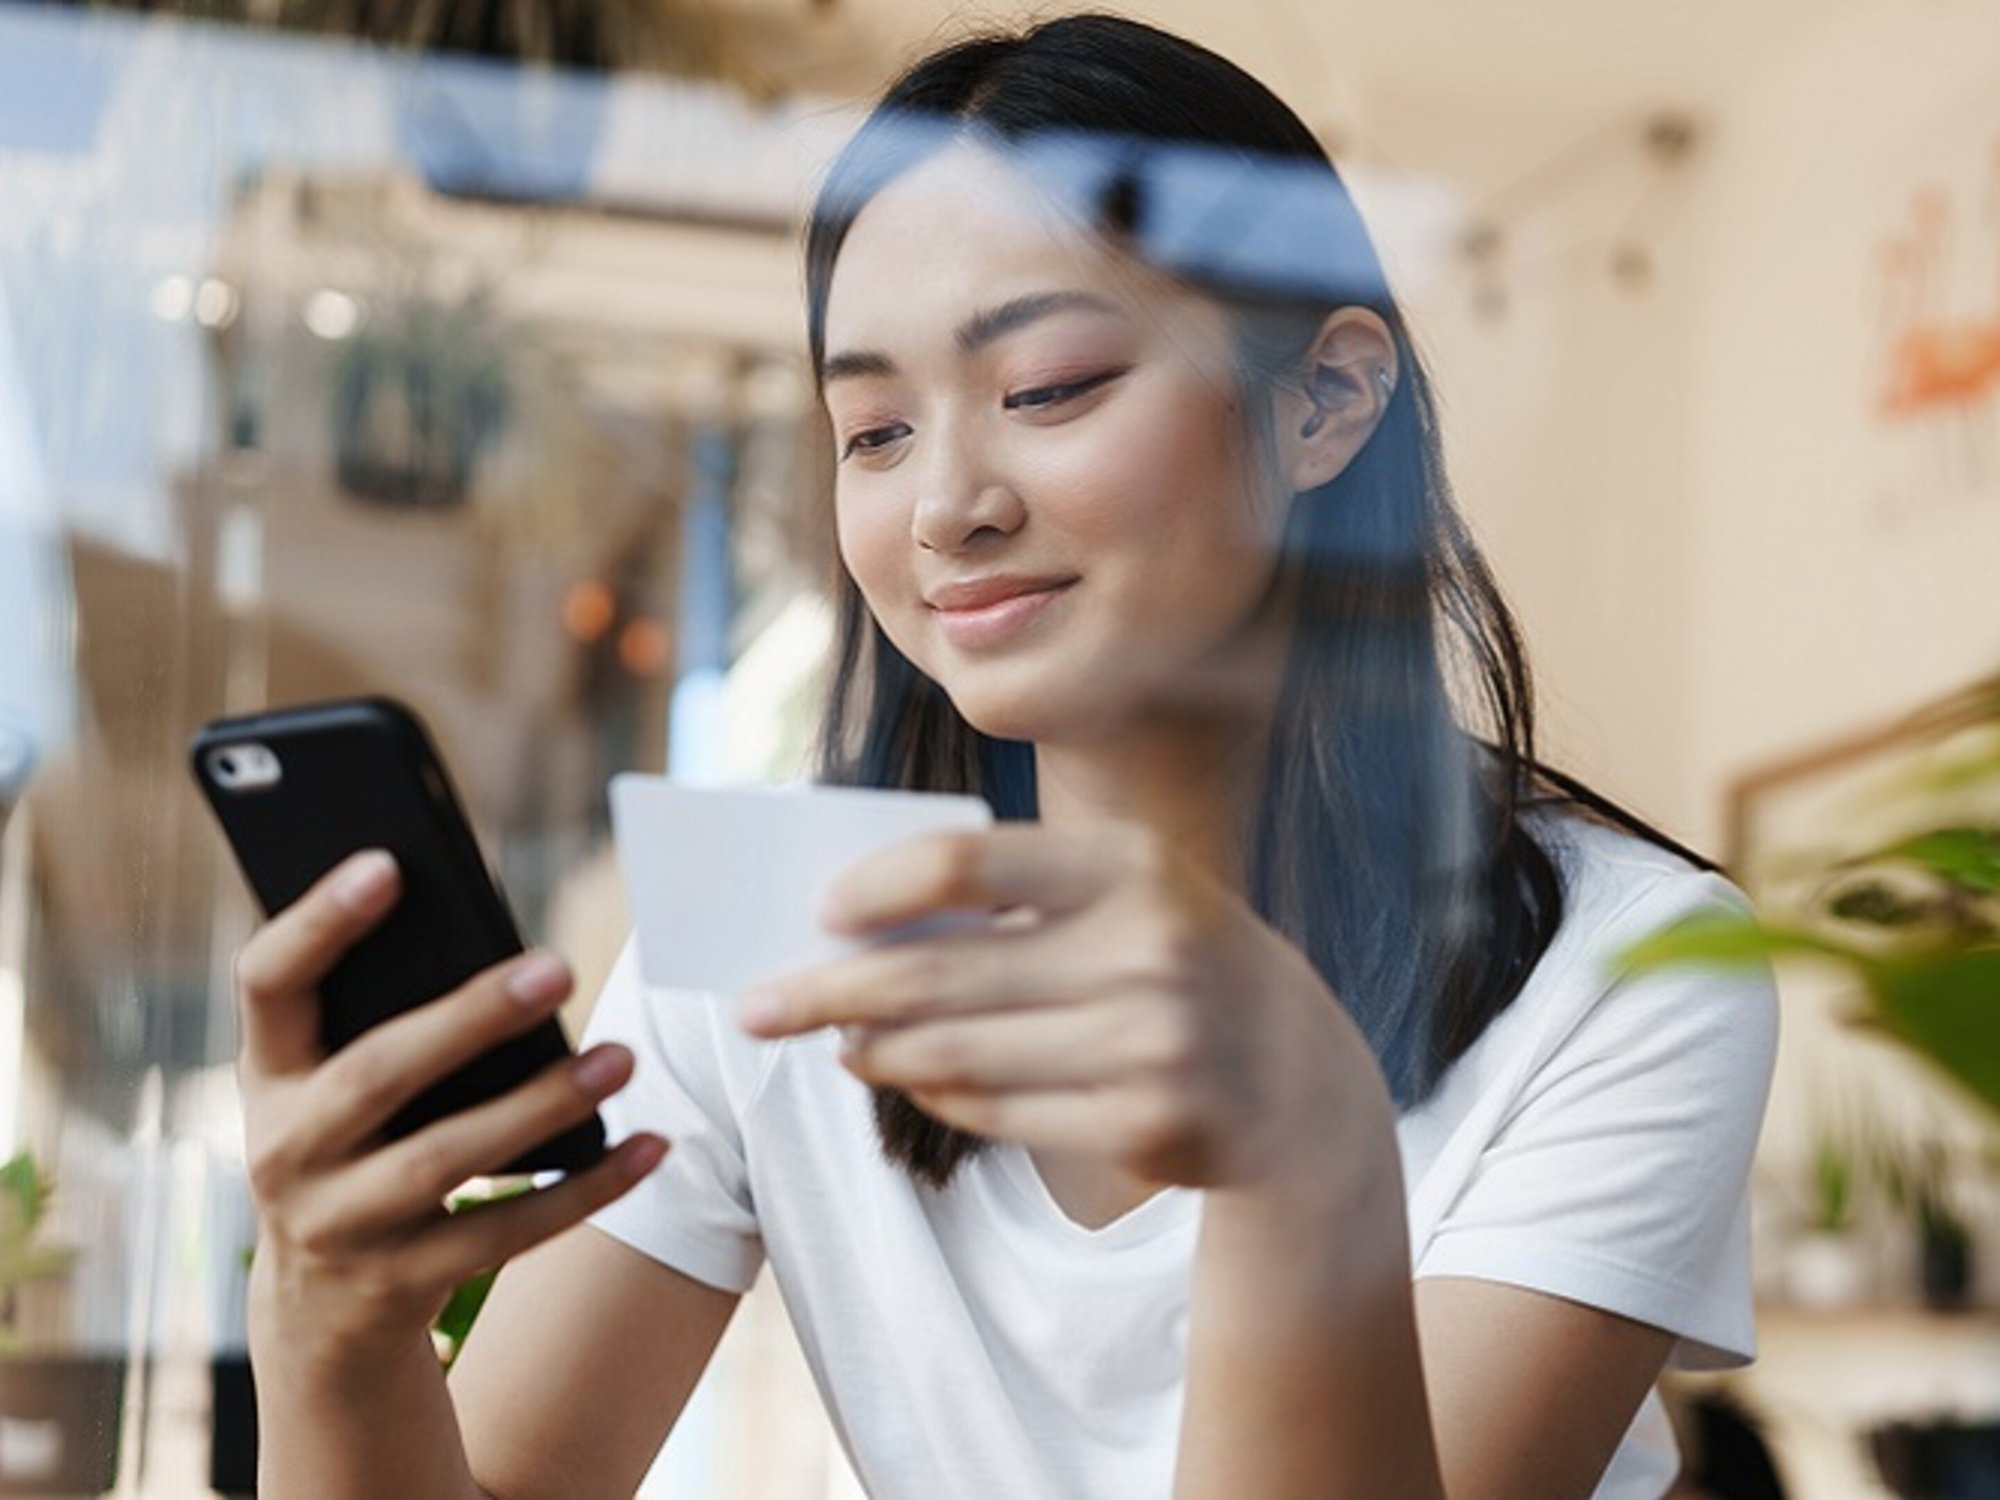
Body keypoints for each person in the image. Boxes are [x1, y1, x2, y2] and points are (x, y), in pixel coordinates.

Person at [231, 14, 1778, 1499]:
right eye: (875, 432)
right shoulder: (776, 932)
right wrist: (328, 1326)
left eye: (1047, 389)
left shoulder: (1635, 967)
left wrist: (1303, 1150)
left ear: (1327, 397)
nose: (941, 506)